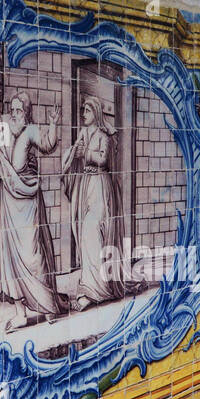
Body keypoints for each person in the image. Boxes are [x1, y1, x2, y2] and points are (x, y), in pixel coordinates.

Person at [0, 91, 63, 331]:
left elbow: (49, 144)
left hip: (28, 201)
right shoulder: (3, 129)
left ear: (26, 113)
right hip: (9, 199)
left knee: (32, 254)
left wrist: (53, 123)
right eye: (13, 109)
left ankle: (47, 305)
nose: (15, 114)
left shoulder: (30, 131)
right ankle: (20, 313)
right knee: (9, 258)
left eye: (20, 110)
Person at [63, 95, 124, 309]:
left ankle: (98, 289)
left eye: (87, 111)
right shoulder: (83, 132)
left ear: (95, 113)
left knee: (91, 230)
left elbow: (103, 159)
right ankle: (88, 287)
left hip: (100, 184)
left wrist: (85, 153)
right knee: (83, 231)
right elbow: (73, 153)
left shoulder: (103, 135)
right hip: (86, 185)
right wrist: (73, 153)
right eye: (82, 110)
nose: (83, 114)